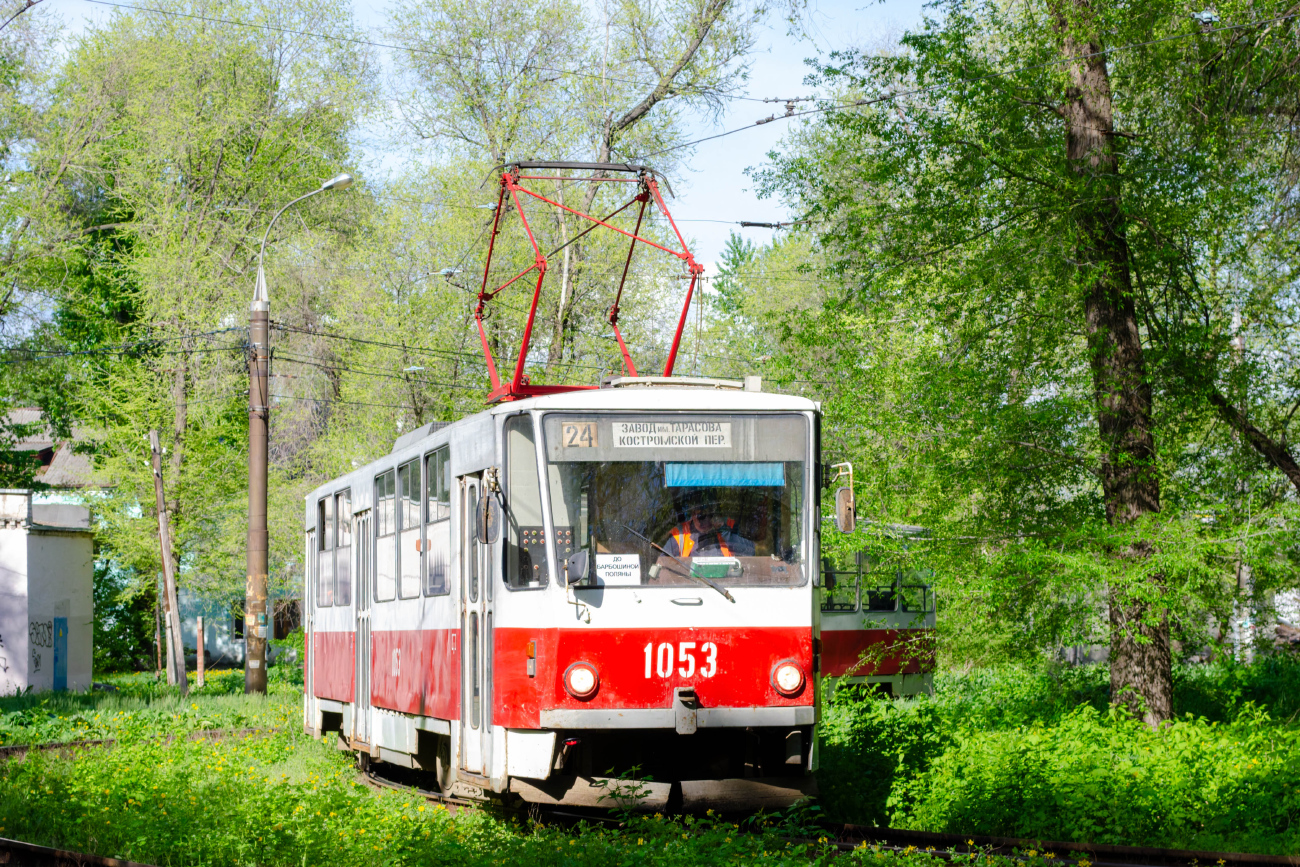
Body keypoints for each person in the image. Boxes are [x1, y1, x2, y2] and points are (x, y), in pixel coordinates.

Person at [662, 504, 755, 558]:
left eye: (710, 515)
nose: (706, 520)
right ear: (693, 515)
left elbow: (750, 552)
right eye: (701, 516)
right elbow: (663, 566)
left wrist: (725, 529)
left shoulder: (727, 529)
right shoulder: (679, 535)